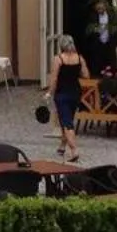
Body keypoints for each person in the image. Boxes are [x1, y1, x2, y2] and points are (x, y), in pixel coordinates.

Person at [47, 34, 85, 163]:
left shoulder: (58, 59)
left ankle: (74, 150)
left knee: (66, 122)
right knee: (67, 118)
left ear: (61, 45)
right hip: (75, 92)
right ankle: (62, 146)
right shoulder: (79, 58)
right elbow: (86, 74)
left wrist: (49, 92)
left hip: (62, 94)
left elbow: (54, 78)